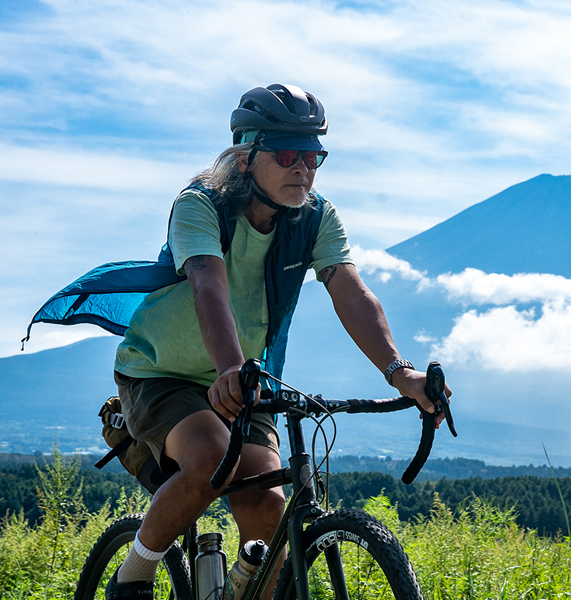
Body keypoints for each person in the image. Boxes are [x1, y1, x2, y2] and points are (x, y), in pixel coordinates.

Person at [103, 84, 447, 599]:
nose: (303, 168)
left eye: (314, 156)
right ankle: (134, 572)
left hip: (244, 377)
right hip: (162, 371)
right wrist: (227, 369)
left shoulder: (315, 218)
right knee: (210, 459)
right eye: (288, 154)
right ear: (245, 156)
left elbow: (351, 293)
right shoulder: (200, 205)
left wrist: (401, 372)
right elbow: (207, 285)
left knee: (268, 502)